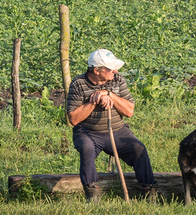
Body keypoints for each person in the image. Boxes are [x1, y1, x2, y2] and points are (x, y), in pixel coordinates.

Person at [66, 49, 157, 203]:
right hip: (88, 131)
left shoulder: (117, 80)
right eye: (110, 69)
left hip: (118, 130)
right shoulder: (78, 84)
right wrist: (93, 102)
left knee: (139, 148)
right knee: (86, 148)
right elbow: (73, 119)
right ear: (96, 70)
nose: (115, 71)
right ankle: (92, 194)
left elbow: (129, 111)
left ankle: (149, 192)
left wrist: (110, 95)